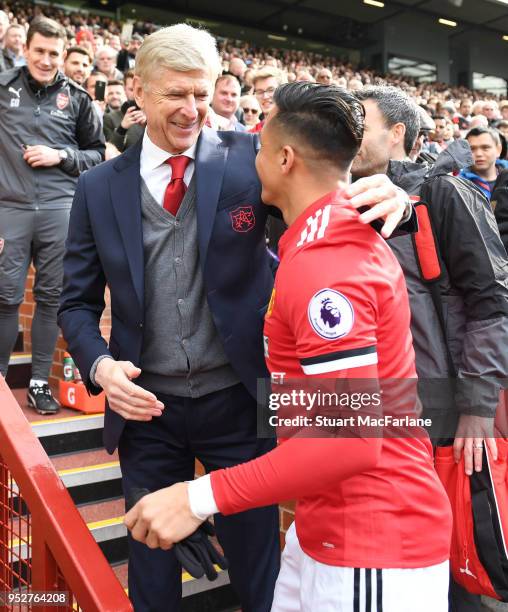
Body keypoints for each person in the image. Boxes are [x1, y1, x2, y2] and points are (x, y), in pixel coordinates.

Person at [58, 24, 413, 612]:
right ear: (138, 91)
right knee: (150, 569)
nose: (191, 109)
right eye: (175, 94)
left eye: (202, 93)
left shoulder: (252, 156)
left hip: (239, 400)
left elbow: (332, 169)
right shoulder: (97, 187)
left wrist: (399, 194)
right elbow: (74, 302)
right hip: (146, 409)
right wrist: (99, 368)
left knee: (259, 569)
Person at [124, 82, 452, 612]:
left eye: (259, 148)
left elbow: (348, 441)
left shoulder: (330, 264)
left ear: (284, 157)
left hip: (371, 542)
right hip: (328, 526)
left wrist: (199, 496)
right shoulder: (314, 237)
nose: (251, 159)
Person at [352, 85, 508, 612]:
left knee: (451, 562)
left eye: (361, 122)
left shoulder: (445, 195)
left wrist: (478, 407)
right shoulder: (330, 198)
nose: (348, 132)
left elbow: (492, 302)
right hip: (357, 411)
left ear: (398, 134)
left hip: (438, 412)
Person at [0, 16, 104, 414]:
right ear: (25, 49)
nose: (46, 60)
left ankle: (40, 383)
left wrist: (60, 155)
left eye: (54, 54)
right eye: (39, 51)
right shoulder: (3, 86)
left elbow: (96, 153)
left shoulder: (78, 97)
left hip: (60, 209)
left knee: (51, 298)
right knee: (6, 298)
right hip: (10, 207)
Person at [460, 127, 508, 201]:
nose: (479, 154)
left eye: (485, 147)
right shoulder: (459, 185)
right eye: (472, 149)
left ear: (498, 150)